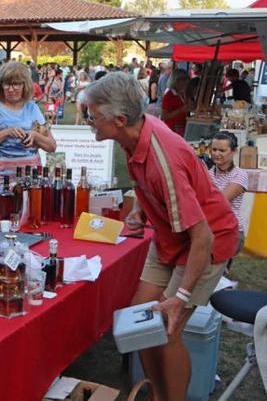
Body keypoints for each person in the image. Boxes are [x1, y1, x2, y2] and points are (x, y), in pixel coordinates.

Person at [82, 72, 239, 401]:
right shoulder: (133, 135)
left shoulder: (162, 158)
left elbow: (204, 237)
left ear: (120, 119)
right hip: (171, 239)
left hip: (206, 242)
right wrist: (141, 210)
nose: (88, 121)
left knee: (168, 331)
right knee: (140, 326)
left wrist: (180, 297)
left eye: (93, 116)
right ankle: (158, 394)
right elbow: (146, 184)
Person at [0, 61, 57, 222]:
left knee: (28, 226)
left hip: (29, 181)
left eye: (16, 84)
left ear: (25, 85)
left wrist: (35, 136)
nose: (11, 89)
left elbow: (51, 146)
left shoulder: (31, 107)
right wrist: (6, 132)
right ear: (1, 84)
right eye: (7, 84)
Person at [208, 131, 248, 249]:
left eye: (222, 150)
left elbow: (219, 201)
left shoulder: (240, 174)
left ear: (234, 151)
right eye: (214, 149)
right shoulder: (208, 173)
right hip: (210, 229)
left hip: (231, 231)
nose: (216, 154)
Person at [161, 69, 190, 136]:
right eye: (184, 80)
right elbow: (164, 116)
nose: (186, 82)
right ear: (176, 81)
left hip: (181, 128)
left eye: (187, 79)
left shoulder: (182, 94)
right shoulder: (169, 95)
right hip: (172, 130)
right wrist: (180, 110)